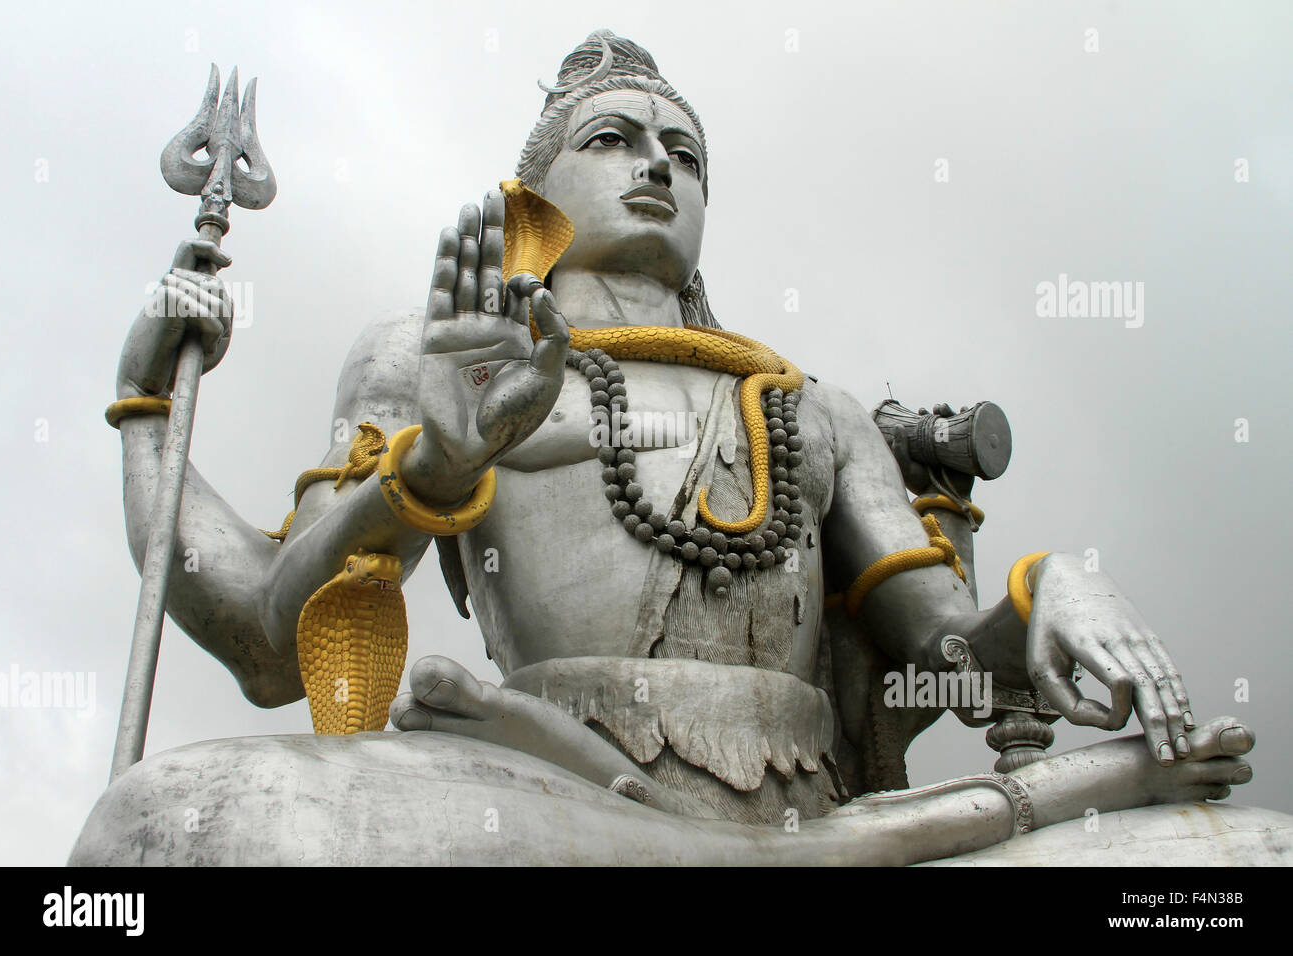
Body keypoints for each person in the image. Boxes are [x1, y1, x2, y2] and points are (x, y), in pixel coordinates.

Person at [92, 31, 1258, 865]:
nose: (659, 166)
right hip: (540, 788)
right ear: (534, 190)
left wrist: (1047, 588)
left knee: (1242, 853)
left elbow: (946, 657)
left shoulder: (813, 408)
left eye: (687, 155)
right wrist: (401, 464)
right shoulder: (441, 353)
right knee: (172, 824)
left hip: (814, 810)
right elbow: (267, 643)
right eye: (614, 139)